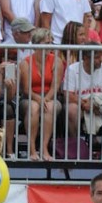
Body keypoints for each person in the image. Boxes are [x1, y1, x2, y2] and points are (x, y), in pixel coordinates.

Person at [62, 44, 102, 158]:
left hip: (100, 106)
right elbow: (68, 94)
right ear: (86, 58)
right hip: (81, 106)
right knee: (72, 109)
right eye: (97, 57)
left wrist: (99, 105)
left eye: (101, 56)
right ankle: (77, 148)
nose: (101, 60)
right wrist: (84, 104)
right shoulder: (73, 69)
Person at [18, 27, 62, 160]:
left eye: (51, 43)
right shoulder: (25, 62)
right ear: (37, 44)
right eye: (46, 43)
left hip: (50, 97)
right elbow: (26, 89)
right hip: (30, 97)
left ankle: (44, 148)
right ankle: (32, 149)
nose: (49, 46)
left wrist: (46, 99)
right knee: (34, 107)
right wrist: (38, 99)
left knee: (49, 107)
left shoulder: (56, 61)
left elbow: (55, 86)